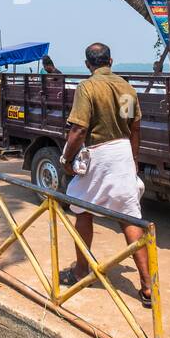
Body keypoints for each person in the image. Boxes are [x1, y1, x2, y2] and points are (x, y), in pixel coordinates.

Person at [59, 42, 153, 308]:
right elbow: (134, 127)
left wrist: (66, 159)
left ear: (88, 64)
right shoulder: (125, 87)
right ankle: (147, 287)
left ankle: (80, 271)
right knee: (129, 215)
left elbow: (78, 130)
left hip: (99, 153)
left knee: (81, 208)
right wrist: (133, 160)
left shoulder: (87, 87)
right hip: (123, 152)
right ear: (111, 60)